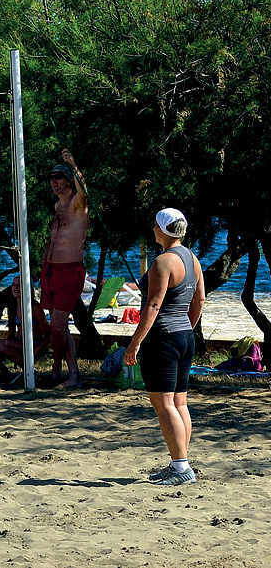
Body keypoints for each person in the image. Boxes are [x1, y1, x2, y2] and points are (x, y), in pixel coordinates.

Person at [123, 208, 205, 486]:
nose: (153, 229)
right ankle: (179, 461)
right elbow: (200, 299)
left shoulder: (163, 261)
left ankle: (182, 467)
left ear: (161, 229)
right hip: (184, 335)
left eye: (155, 225)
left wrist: (135, 343)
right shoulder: (192, 258)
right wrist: (186, 327)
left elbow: (154, 305)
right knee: (180, 402)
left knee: (164, 404)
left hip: (163, 338)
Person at [40, 149, 89, 388]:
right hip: (50, 270)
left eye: (58, 177)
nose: (53, 181)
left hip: (69, 271)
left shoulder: (77, 205)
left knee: (58, 327)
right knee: (59, 328)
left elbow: (85, 193)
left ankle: (58, 371)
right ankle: (72, 375)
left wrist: (73, 164)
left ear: (69, 181)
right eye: (51, 177)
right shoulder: (57, 206)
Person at [0, 277, 51, 376]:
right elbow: (11, 334)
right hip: (17, 342)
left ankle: (28, 371)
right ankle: (6, 373)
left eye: (19, 285)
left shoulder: (34, 307)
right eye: (14, 285)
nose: (16, 288)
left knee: (0, 344)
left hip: (33, 344)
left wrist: (36, 350)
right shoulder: (12, 307)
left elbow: (48, 335)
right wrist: (5, 348)